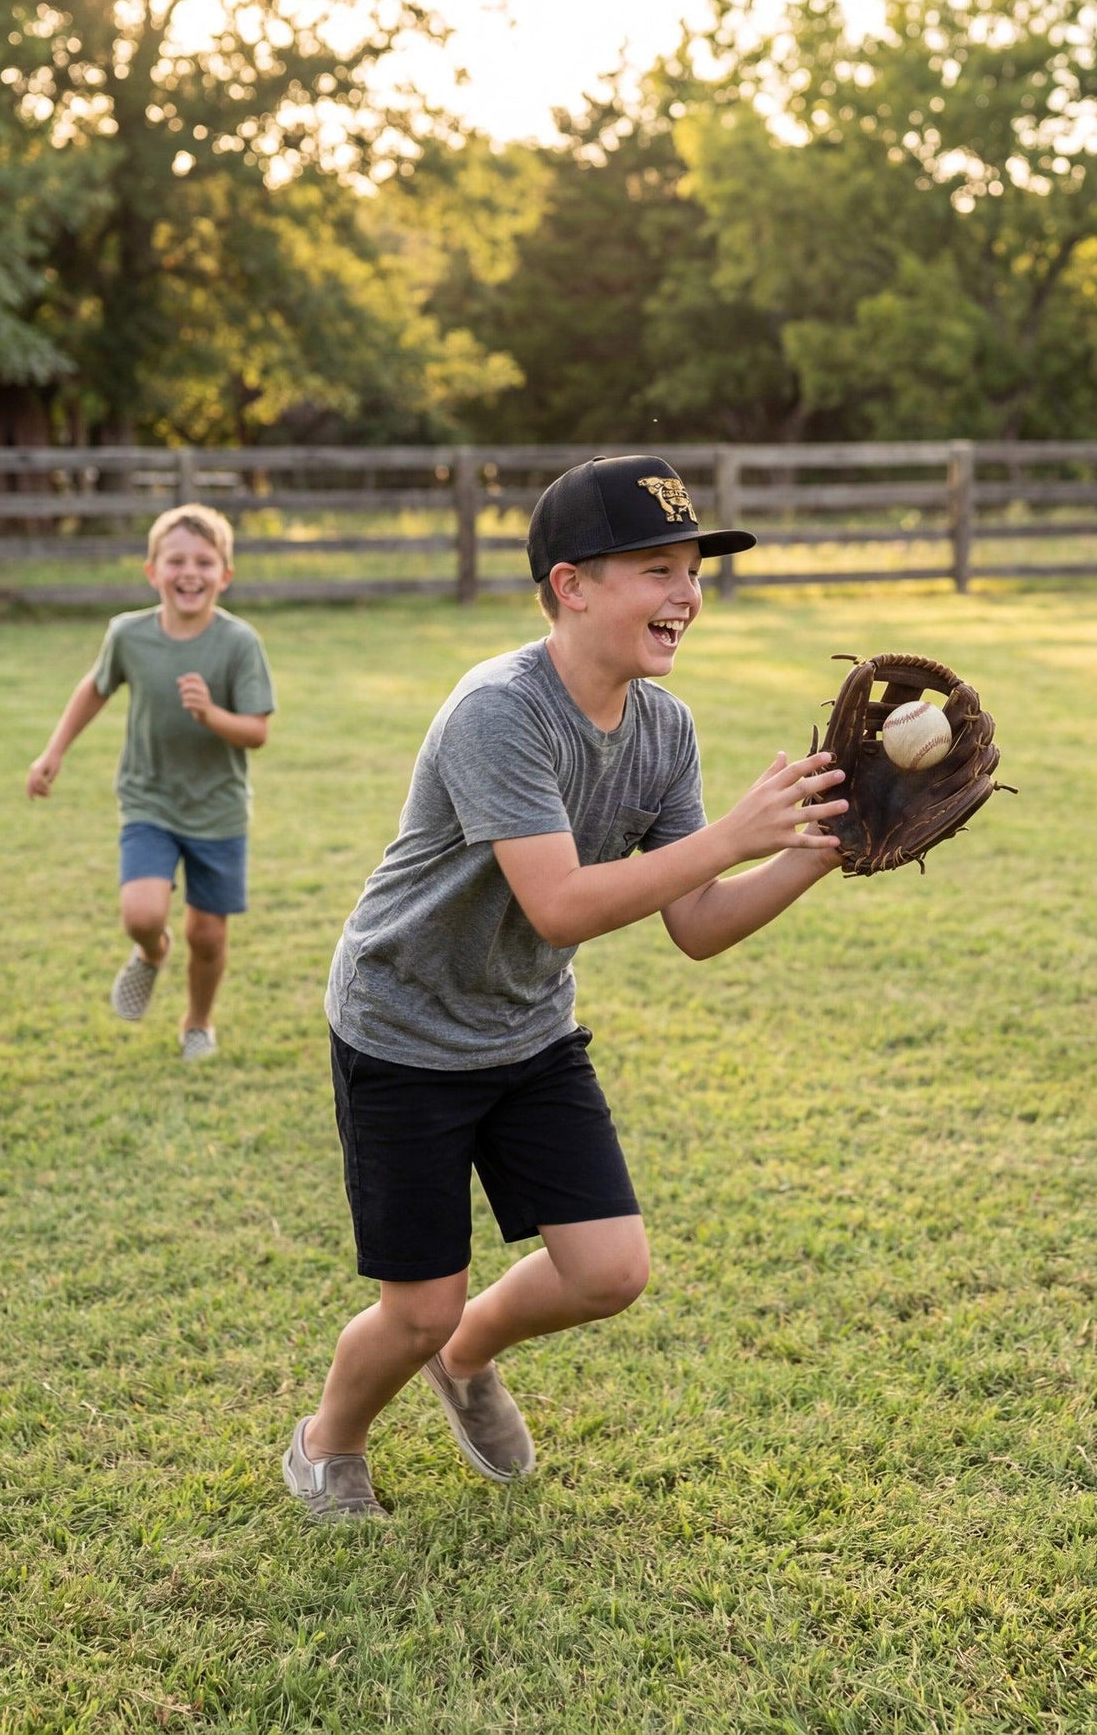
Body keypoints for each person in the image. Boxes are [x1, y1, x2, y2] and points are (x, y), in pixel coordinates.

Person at [284, 454, 850, 1518]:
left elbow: (696, 923)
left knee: (607, 1268)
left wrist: (806, 855)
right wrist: (731, 831)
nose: (685, 595)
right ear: (570, 585)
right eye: (656, 568)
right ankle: (329, 1441)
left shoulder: (663, 729)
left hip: (527, 1028)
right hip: (404, 1027)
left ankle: (466, 1357)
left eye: (691, 571)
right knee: (411, 1307)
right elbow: (560, 904)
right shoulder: (500, 709)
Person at [26, 503, 276, 1061]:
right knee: (142, 915)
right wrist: (54, 751)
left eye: (205, 562)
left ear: (225, 575)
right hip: (149, 799)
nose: (190, 572)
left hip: (218, 809)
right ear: (152, 571)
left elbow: (256, 732)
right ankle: (151, 952)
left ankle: (198, 1022)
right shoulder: (128, 634)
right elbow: (95, 688)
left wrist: (212, 715)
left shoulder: (240, 644)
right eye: (176, 560)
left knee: (207, 936)